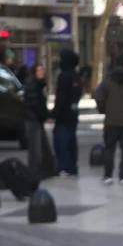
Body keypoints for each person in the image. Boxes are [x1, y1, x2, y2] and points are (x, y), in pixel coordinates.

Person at [94, 55, 123, 185]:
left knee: (109, 148)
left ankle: (108, 175)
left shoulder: (107, 82)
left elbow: (98, 97)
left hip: (111, 121)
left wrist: (104, 110)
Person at [51, 49, 83, 177]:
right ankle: (72, 166)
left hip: (63, 116)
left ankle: (64, 167)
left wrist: (53, 113)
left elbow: (61, 97)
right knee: (71, 141)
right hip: (73, 114)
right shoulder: (76, 76)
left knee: (61, 142)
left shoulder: (63, 76)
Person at [23, 64, 55, 181]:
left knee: (42, 145)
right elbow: (35, 104)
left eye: (43, 69)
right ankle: (34, 171)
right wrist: (45, 116)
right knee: (35, 147)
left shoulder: (39, 85)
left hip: (37, 119)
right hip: (33, 119)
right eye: (39, 70)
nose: (42, 72)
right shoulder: (33, 85)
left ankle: (46, 169)